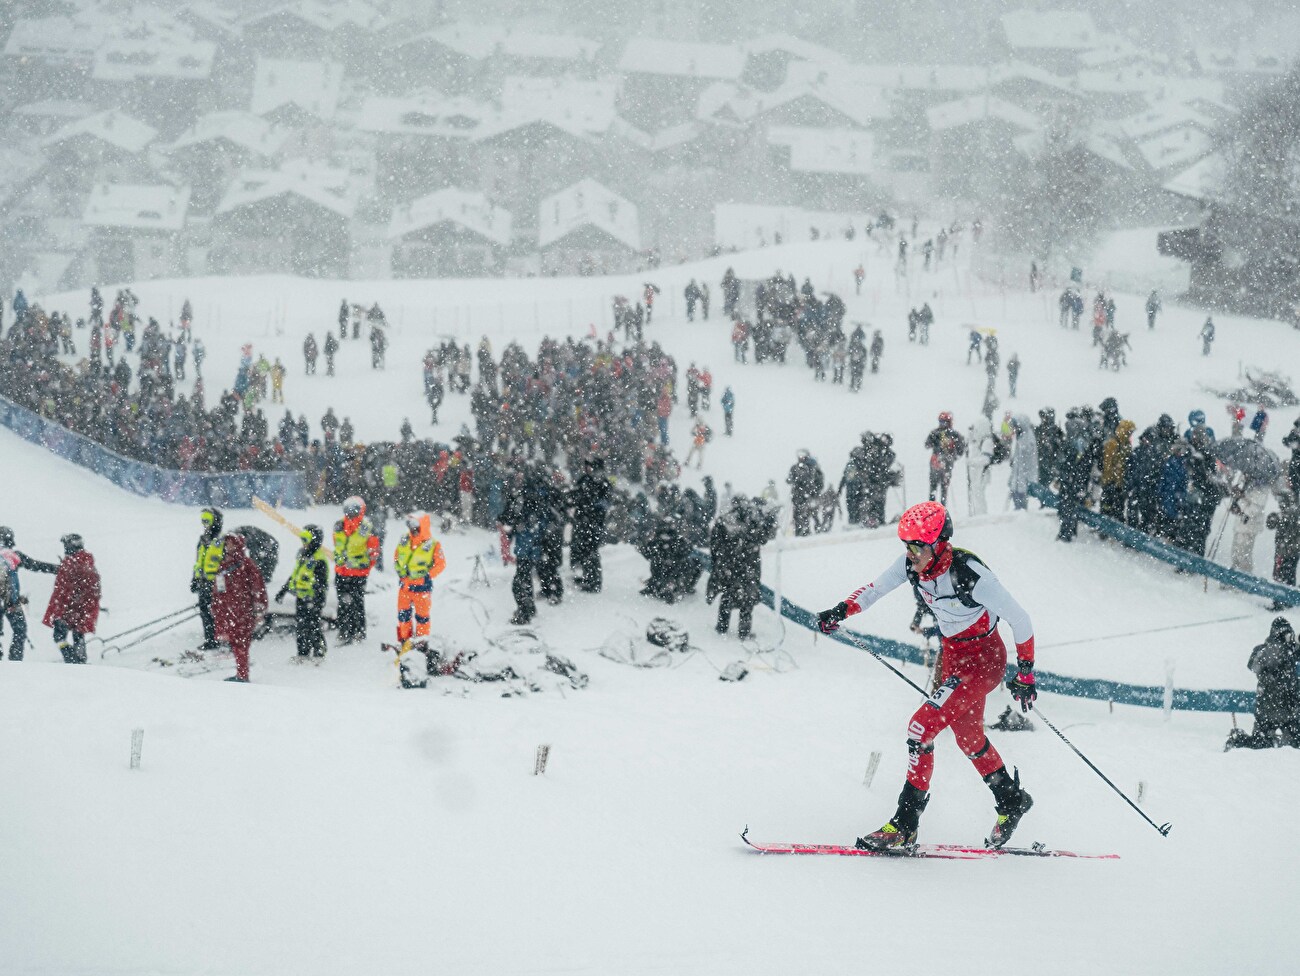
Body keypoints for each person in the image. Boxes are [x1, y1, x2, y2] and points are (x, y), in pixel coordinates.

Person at [816, 501, 1037, 850]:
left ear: (938, 543)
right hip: (953, 658)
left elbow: (1020, 619)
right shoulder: (912, 565)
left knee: (920, 728)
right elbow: (874, 589)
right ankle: (1010, 799)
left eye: (917, 545)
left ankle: (905, 823)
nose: (910, 552)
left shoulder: (970, 574)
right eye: (907, 544)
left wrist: (1025, 673)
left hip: (983, 661)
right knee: (968, 738)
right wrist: (840, 611)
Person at [1226, 618, 1300, 749]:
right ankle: (1238, 742)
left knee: (1264, 744)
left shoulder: (1290, 651)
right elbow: (1254, 665)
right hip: (1277, 709)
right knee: (1266, 746)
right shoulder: (1267, 650)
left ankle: (1239, 742)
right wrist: (1282, 644)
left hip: (1283, 709)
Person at [211, 533, 267, 682]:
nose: (228, 546)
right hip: (230, 611)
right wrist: (216, 605)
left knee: (241, 644)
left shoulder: (246, 565)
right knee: (236, 644)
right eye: (227, 543)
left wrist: (258, 608)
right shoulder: (225, 564)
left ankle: (242, 674)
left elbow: (258, 588)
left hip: (242, 612)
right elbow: (219, 589)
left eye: (232, 543)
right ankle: (241, 673)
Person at [0, 526, 59, 660]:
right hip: (11, 602)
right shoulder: (13, 556)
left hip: (5, 601)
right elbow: (36, 565)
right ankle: (15, 660)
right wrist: (58, 569)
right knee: (20, 630)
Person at [41, 534, 101, 664]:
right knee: (78, 634)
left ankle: (72, 660)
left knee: (59, 637)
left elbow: (62, 591)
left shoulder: (70, 564)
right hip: (83, 608)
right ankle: (80, 659)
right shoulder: (87, 562)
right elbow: (94, 589)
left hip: (67, 608)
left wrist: (59, 611)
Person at [275, 525, 329, 661]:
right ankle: (303, 652)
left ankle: (319, 652)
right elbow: (295, 575)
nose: (304, 543)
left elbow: (321, 583)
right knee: (300, 626)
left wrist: (316, 599)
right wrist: (283, 590)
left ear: (314, 541)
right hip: (301, 597)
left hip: (313, 598)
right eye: (303, 539)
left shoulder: (319, 559)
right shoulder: (303, 556)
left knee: (313, 625)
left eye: (307, 540)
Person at [394, 512, 445, 649]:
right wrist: (400, 572)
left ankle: (421, 644)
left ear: (422, 525)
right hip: (405, 587)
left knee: (422, 618)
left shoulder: (433, 544)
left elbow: (441, 564)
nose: (412, 528)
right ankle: (405, 642)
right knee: (403, 616)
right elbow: (397, 557)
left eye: (415, 525)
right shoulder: (404, 539)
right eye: (410, 524)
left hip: (422, 589)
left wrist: (427, 576)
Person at [333, 496, 379, 644]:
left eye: (354, 509)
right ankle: (344, 631)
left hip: (359, 573)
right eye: (348, 508)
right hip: (341, 571)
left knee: (357, 603)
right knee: (343, 603)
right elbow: (337, 545)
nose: (350, 512)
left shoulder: (367, 527)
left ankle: (358, 631)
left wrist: (365, 567)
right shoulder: (339, 525)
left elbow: (374, 551)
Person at [191, 508, 224, 650]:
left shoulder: (221, 541)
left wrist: (222, 586)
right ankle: (210, 639)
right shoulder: (202, 540)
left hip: (215, 583)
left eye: (207, 521)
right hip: (203, 582)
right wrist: (194, 579)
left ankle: (218, 638)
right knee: (204, 611)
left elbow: (225, 565)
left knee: (216, 611)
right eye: (203, 521)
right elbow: (198, 561)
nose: (204, 525)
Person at [924, 412, 966, 505]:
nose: (943, 424)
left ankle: (937, 509)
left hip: (942, 463)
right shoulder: (949, 434)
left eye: (945, 422)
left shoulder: (952, 434)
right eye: (942, 422)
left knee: (938, 487)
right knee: (939, 487)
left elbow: (961, 449)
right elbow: (927, 444)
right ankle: (936, 509)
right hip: (940, 463)